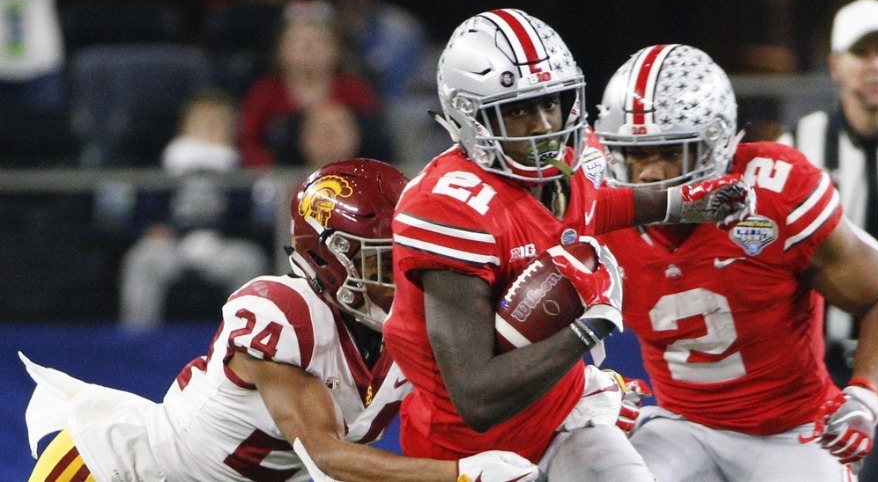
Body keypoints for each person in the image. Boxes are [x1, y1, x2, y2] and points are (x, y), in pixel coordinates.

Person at [383, 9, 755, 481]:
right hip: (467, 456)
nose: (543, 126)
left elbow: (599, 205)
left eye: (550, 102)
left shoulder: (574, 163)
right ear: (470, 115)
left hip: (563, 418)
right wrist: (590, 326)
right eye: (518, 110)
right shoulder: (448, 209)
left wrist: (684, 203)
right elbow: (477, 398)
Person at [21, 158, 541, 482]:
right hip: (119, 472)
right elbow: (327, 458)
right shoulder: (284, 314)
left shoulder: (415, 327)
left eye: (406, 256)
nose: (400, 277)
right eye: (382, 262)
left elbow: (492, 381)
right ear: (326, 258)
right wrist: (460, 476)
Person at [594, 43, 878, 481]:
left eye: (668, 152)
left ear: (712, 147)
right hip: (682, 426)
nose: (648, 175)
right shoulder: (597, 208)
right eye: (636, 154)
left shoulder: (775, 193)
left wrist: (864, 398)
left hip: (790, 431)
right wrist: (592, 396)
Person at [785, 0, 878, 479]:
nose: (875, 64)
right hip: (821, 362)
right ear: (835, 66)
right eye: (861, 52)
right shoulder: (803, 145)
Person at [119, 88, 268, 329]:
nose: (209, 130)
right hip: (172, 244)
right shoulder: (167, 163)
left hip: (218, 244)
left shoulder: (238, 167)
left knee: (249, 261)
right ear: (185, 127)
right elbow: (145, 208)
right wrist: (155, 228)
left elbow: (246, 215)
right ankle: (138, 338)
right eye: (202, 123)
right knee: (141, 260)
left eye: (218, 124)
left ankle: (246, 339)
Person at [238, 0, 392, 167]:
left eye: (319, 41)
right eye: (299, 42)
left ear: (337, 49)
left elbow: (376, 140)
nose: (309, 49)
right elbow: (248, 140)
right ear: (280, 50)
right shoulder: (265, 92)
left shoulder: (355, 90)